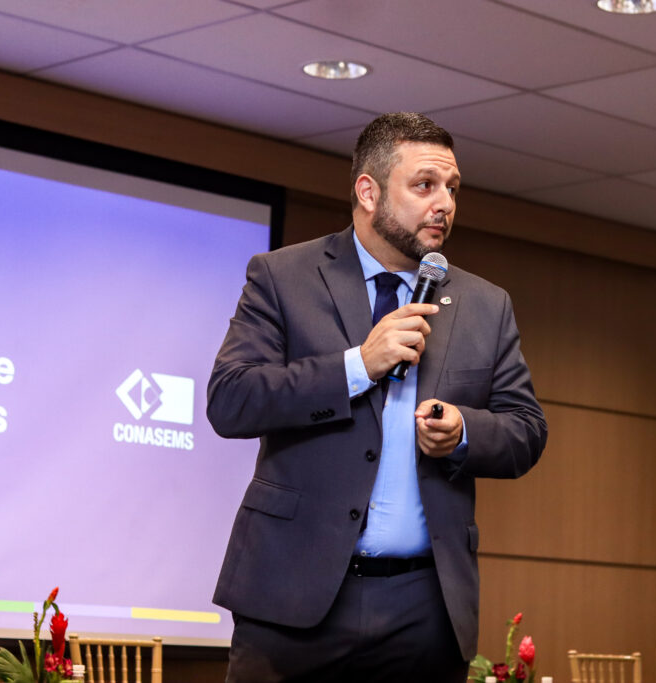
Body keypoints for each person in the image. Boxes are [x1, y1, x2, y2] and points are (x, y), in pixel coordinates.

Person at [207, 112, 547, 683]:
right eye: (424, 185)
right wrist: (357, 366)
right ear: (369, 192)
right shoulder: (283, 276)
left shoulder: (485, 305)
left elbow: (526, 429)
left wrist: (463, 432)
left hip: (424, 607)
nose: (444, 204)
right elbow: (231, 399)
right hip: (293, 595)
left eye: (452, 188)